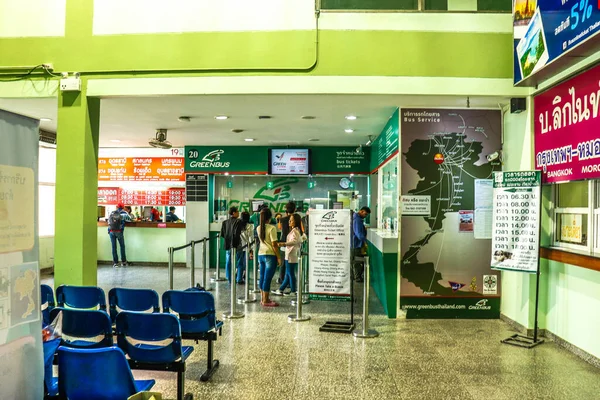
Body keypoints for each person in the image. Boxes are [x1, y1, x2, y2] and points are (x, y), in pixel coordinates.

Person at [272, 213, 305, 296]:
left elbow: (294, 241)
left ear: (296, 221)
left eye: (291, 220)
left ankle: (293, 290)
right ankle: (281, 289)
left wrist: (284, 243)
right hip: (290, 254)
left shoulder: (295, 231)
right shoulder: (295, 230)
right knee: (288, 273)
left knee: (290, 273)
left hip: (291, 254)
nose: (289, 221)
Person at [257, 208, 281, 306]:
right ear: (270, 217)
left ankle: (263, 298)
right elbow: (274, 244)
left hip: (261, 254)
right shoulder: (272, 228)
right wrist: (279, 257)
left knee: (262, 277)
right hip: (270, 255)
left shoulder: (258, 228)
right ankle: (265, 300)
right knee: (267, 278)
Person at [220, 206, 243, 284]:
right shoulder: (238, 222)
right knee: (239, 262)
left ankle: (230, 279)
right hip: (237, 244)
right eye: (237, 211)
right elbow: (238, 233)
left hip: (228, 244)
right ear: (234, 213)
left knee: (228, 262)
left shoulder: (225, 222)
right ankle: (239, 279)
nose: (238, 213)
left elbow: (222, 234)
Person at [276, 201, 296, 284]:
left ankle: (281, 279)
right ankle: (289, 282)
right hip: (292, 244)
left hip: (283, 243)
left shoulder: (282, 219)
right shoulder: (296, 219)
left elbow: (280, 228)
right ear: (294, 209)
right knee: (290, 265)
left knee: (283, 264)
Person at [108, 203, 131, 268]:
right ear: (123, 207)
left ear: (116, 207)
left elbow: (108, 222)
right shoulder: (124, 213)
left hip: (111, 231)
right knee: (122, 246)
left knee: (113, 247)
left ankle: (115, 263)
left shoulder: (112, 213)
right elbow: (130, 219)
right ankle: (123, 262)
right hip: (119, 232)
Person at [352, 206, 371, 282]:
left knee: (355, 261)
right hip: (356, 244)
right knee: (357, 262)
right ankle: (358, 278)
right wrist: (365, 241)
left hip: (354, 243)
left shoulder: (356, 218)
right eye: (365, 214)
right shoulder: (357, 220)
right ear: (361, 211)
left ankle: (355, 276)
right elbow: (359, 234)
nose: (365, 216)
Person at [237, 211, 255, 284]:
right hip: (246, 247)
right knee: (245, 264)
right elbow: (251, 238)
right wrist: (252, 249)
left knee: (239, 263)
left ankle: (238, 277)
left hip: (238, 246)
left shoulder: (237, 225)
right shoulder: (249, 226)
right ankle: (242, 277)